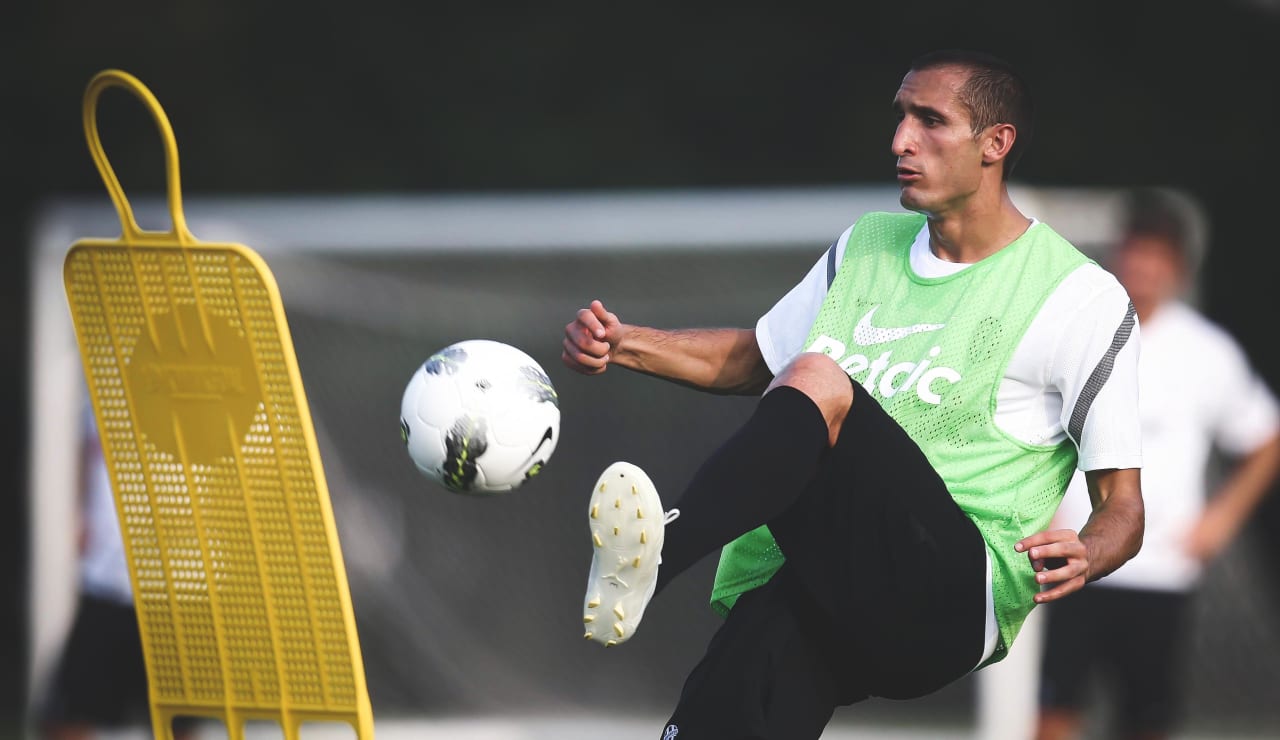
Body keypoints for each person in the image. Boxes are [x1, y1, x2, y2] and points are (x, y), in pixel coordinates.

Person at [563, 49, 1145, 740]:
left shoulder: (1078, 296)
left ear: (996, 143)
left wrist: (1092, 548)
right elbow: (759, 359)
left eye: (930, 121)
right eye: (900, 118)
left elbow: (1123, 508)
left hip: (951, 595)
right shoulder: (867, 245)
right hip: (829, 580)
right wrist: (625, 343)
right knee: (722, 709)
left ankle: (657, 554)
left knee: (819, 377)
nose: (902, 140)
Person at [1034, 191, 1280, 740]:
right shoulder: (1080, 334)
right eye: (1136, 252)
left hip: (1160, 569)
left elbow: (1266, 438)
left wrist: (1220, 522)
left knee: (1146, 719)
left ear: (1178, 267)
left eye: (1158, 256)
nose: (1143, 267)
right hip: (1077, 560)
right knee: (1054, 714)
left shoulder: (1207, 352)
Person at [36, 401, 198, 740]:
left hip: (177, 588)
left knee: (176, 721)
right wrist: (79, 518)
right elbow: (87, 454)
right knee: (67, 713)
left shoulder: (202, 399)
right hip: (108, 581)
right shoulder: (107, 395)